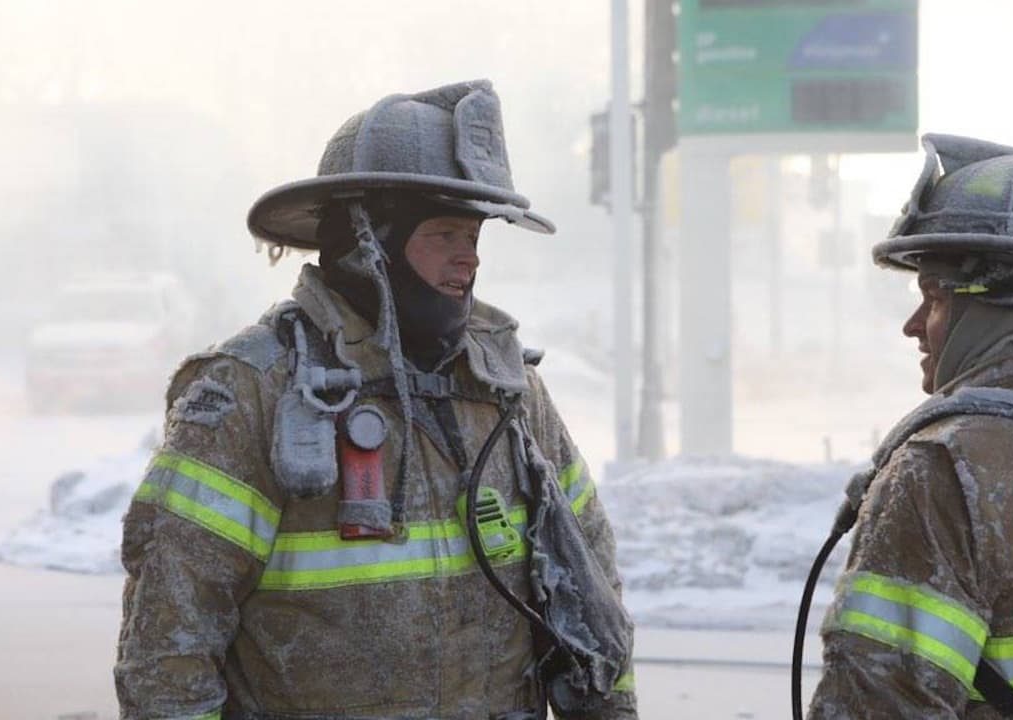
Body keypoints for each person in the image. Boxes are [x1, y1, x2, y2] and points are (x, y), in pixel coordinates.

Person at [115, 80, 637, 720]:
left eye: (474, 237)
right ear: (368, 243)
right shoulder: (255, 390)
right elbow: (170, 638)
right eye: (445, 234)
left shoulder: (506, 389)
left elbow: (591, 596)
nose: (468, 261)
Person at [808, 133, 1013, 719]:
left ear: (991, 300)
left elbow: (879, 703)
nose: (913, 325)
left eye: (932, 297)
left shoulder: (947, 467)